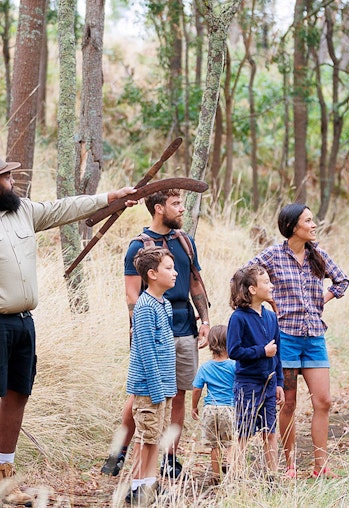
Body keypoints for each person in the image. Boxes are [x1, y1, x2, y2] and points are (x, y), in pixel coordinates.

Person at [0, 152, 135, 507]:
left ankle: (4, 473)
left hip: (22, 321)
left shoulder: (19, 210)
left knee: (17, 393)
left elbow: (60, 209)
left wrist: (109, 198)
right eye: (7, 178)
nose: (13, 183)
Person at [101, 189, 210, 479]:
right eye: (176, 204)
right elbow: (131, 295)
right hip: (154, 329)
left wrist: (205, 320)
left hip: (185, 326)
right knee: (142, 395)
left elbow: (196, 284)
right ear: (159, 208)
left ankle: (169, 459)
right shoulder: (138, 246)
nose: (182, 209)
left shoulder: (185, 242)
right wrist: (143, 330)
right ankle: (119, 452)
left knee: (178, 395)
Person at [249, 203, 349, 479]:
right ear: (293, 226)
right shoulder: (272, 256)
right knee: (289, 403)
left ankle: (321, 466)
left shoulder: (318, 255)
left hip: (314, 336)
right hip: (286, 338)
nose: (314, 225)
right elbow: (244, 277)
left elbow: (341, 281)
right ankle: (291, 465)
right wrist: (270, 301)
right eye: (309, 220)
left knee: (324, 401)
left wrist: (321, 301)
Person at [124, 246, 179, 505]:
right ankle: (135, 487)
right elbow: (145, 351)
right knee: (144, 436)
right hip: (149, 387)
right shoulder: (145, 307)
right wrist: (157, 389)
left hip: (165, 386)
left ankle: (149, 482)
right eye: (169, 268)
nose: (175, 273)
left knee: (155, 436)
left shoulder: (164, 304)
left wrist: (168, 387)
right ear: (152, 274)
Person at [226, 264, 284, 477]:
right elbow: (234, 350)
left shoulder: (271, 317)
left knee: (270, 431)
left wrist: (279, 383)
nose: (271, 285)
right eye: (266, 282)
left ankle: (273, 476)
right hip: (247, 383)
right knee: (243, 431)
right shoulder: (238, 318)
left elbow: (278, 353)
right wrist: (261, 351)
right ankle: (236, 474)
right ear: (252, 289)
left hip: (269, 383)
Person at [190, 324, 234, 481]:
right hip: (229, 408)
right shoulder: (234, 366)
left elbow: (197, 389)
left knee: (215, 445)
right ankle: (230, 468)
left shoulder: (205, 367)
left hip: (210, 409)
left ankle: (216, 475)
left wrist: (194, 407)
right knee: (230, 443)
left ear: (210, 344)